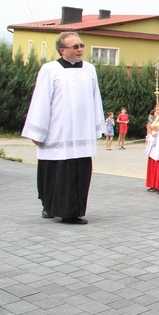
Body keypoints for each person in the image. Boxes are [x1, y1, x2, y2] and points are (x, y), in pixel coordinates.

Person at [22, 31, 105, 224]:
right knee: (55, 171)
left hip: (81, 132)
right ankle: (49, 206)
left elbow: (95, 99)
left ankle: (72, 212)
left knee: (79, 172)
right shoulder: (50, 69)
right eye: (75, 46)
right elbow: (41, 100)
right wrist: (38, 130)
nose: (80, 49)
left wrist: (96, 126)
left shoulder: (89, 69)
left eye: (81, 46)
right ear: (62, 50)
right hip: (58, 131)